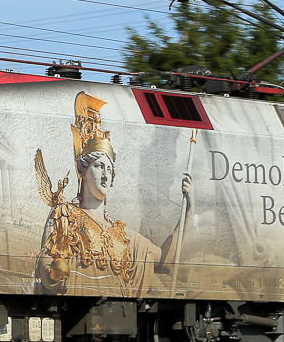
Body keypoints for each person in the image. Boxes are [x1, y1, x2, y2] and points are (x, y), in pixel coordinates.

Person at [35, 92, 192, 295]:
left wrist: (188, 210)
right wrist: (56, 271)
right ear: (83, 171)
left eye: (109, 170)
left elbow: (164, 261)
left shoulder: (124, 236)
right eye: (99, 166)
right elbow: (47, 264)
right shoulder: (65, 215)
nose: (105, 175)